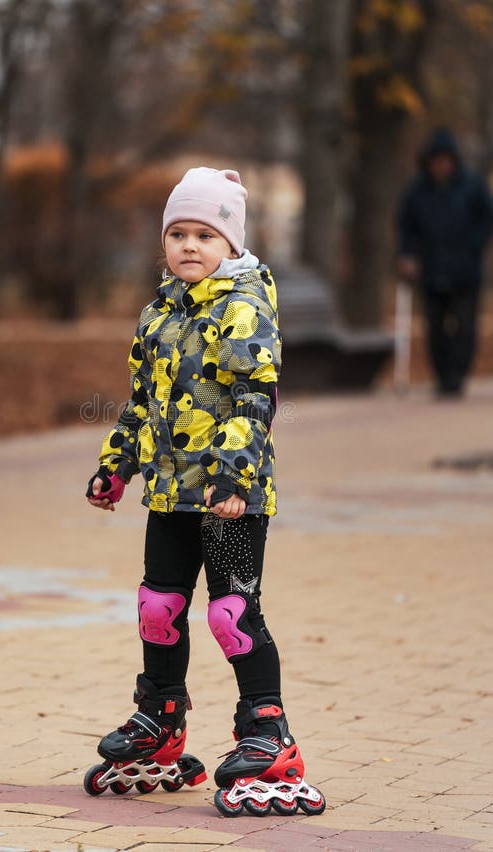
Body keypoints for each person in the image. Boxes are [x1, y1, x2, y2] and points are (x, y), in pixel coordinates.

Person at [83, 167, 326, 817]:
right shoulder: (159, 312)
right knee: (157, 606)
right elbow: (141, 404)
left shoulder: (243, 304)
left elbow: (256, 396)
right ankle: (160, 719)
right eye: (178, 233)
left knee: (231, 613)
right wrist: (117, 466)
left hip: (229, 498)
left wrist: (234, 476)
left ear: (230, 244)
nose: (190, 245)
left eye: (205, 234)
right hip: (169, 494)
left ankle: (267, 734)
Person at [396, 127, 493, 397]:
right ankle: (442, 376)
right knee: (435, 327)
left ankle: (457, 376)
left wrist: (473, 246)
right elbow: (406, 225)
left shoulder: (472, 185)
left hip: (465, 270)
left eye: (445, 160)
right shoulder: (418, 191)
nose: (440, 166)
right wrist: (406, 254)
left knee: (465, 327)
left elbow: (487, 218)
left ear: (453, 161)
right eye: (436, 161)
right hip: (432, 268)